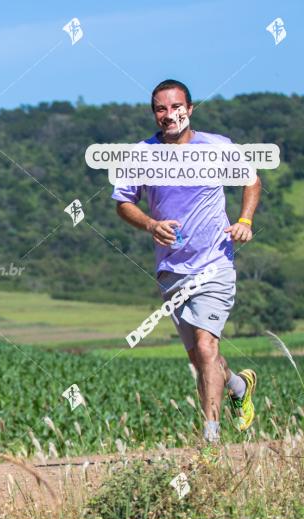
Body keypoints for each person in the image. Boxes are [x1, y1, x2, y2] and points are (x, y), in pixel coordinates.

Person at [113, 79, 259, 460]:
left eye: (176, 106)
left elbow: (251, 181)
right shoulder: (141, 154)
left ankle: (210, 442)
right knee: (199, 357)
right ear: (154, 115)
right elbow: (123, 203)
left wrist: (244, 219)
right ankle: (239, 388)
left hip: (215, 261)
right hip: (172, 270)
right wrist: (149, 224)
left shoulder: (217, 146)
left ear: (190, 109)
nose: (169, 114)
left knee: (208, 348)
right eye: (161, 109)